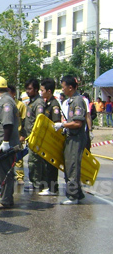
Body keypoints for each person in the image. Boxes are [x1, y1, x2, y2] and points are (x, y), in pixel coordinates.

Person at [53, 75, 87, 205]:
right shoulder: (72, 101)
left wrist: (63, 125)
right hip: (71, 137)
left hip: (76, 138)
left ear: (70, 87)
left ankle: (73, 196)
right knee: (69, 165)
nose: (63, 90)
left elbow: (78, 123)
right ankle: (77, 193)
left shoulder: (77, 101)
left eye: (63, 87)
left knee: (72, 167)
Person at [0, 76, 20, 209]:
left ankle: (6, 200)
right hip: (0, 143)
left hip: (4, 145)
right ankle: (5, 198)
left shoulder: (5, 102)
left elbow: (7, 123)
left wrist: (5, 142)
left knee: (6, 173)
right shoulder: (2, 101)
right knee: (3, 172)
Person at [38, 78, 62, 196]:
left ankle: (53, 188)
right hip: (46, 138)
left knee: (52, 165)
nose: (41, 92)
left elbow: (56, 122)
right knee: (47, 164)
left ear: (48, 91)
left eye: (42, 90)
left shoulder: (54, 104)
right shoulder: (47, 103)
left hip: (52, 139)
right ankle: (49, 186)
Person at [22, 79, 46, 192]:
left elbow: (39, 120)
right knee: (31, 161)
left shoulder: (38, 103)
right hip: (29, 137)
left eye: (30, 89)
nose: (27, 91)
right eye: (26, 89)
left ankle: (37, 183)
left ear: (36, 89)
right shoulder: (31, 102)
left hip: (35, 137)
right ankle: (34, 182)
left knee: (34, 161)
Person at [8, 85, 26, 186]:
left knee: (18, 157)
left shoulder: (20, 105)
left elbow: (24, 121)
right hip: (7, 135)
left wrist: (23, 135)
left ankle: (20, 177)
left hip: (17, 134)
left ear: (14, 93)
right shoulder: (5, 104)